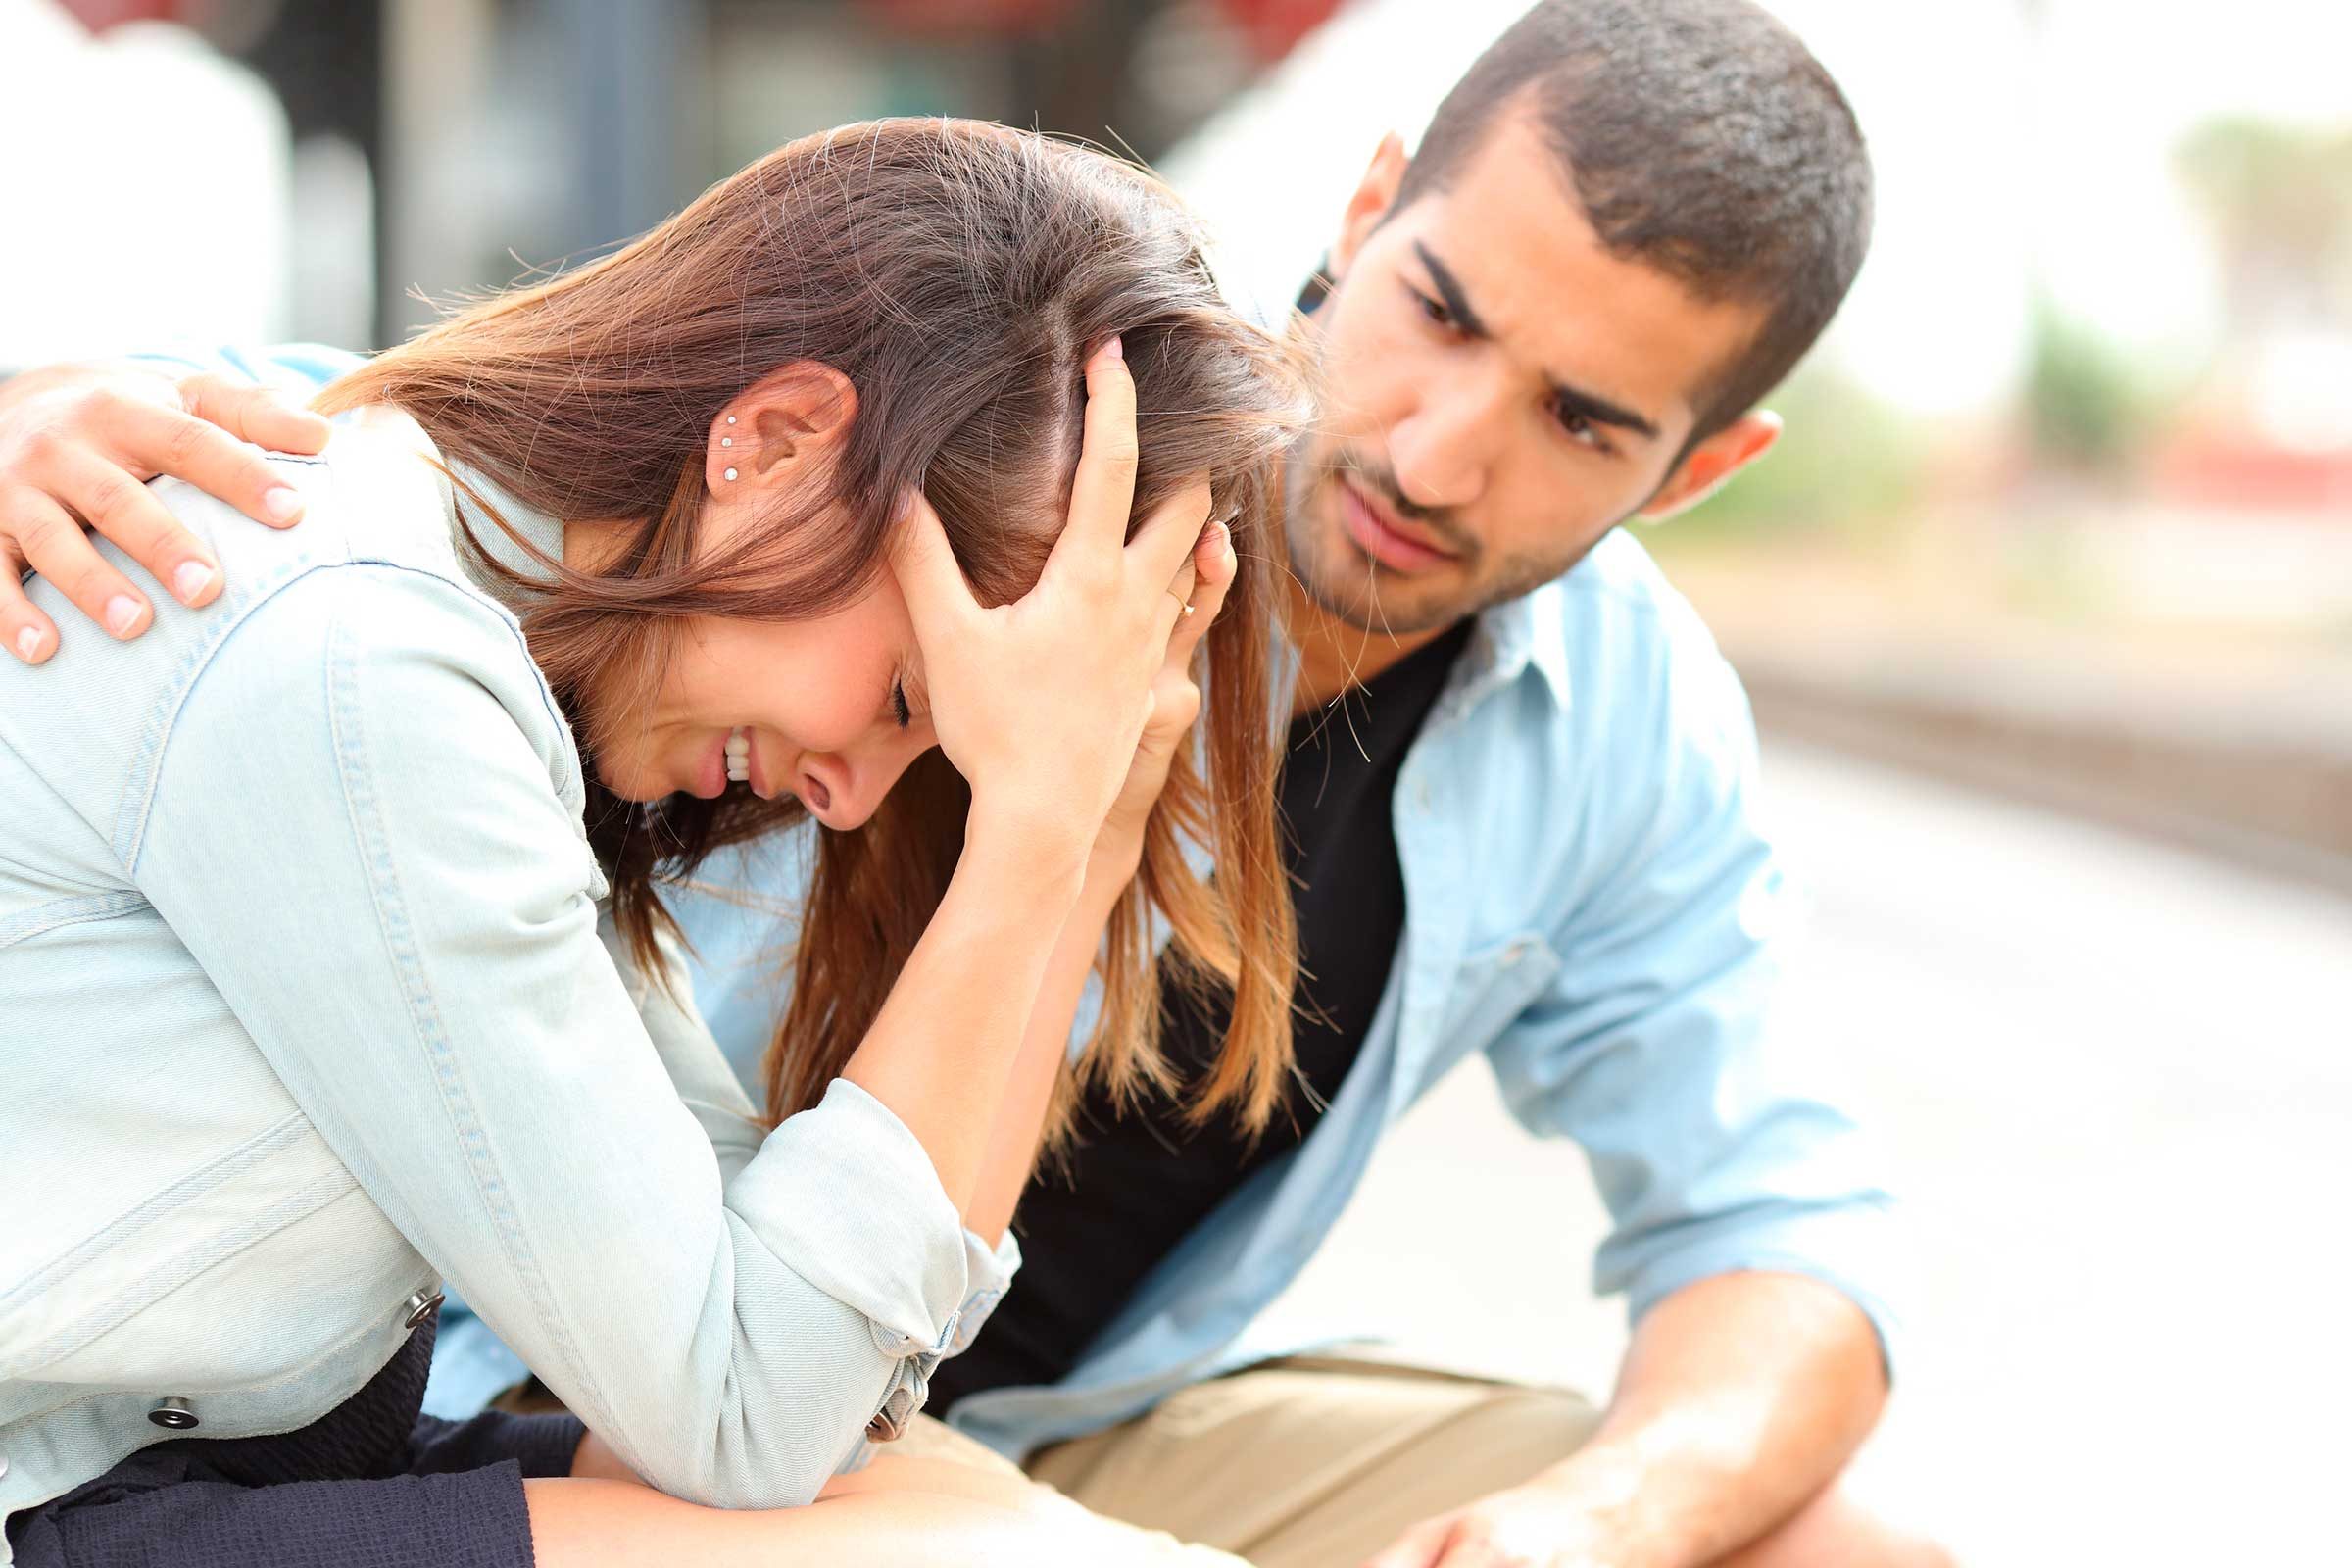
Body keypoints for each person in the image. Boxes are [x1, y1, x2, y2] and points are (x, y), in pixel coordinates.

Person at [4, 4, 1957, 1565]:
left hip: (1009, 1400)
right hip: (585, 1382)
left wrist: (1598, 1523)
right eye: (1443, 313)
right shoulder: (983, 458)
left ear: (1696, 470)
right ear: (1367, 208)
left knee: (1838, 1548)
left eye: (1583, 419)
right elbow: (432, 466)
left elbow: (1776, 1219)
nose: (1441, 452)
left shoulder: (1620, 719)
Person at [0, 116, 1311, 1568]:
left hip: (186, 1481)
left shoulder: (497, 656)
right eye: (902, 700)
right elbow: (741, 1414)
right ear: (774, 438)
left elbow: (828, 1384)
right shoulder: (359, 664)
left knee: (958, 1508)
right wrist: (1031, 831)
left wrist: (1090, 828)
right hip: (59, 1496)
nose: (853, 801)